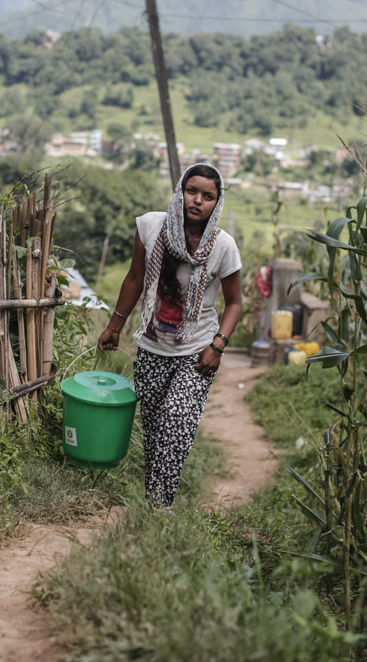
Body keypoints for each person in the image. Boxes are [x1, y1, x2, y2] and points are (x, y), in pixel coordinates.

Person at [98, 163, 243, 511]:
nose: (197, 201)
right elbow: (134, 279)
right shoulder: (150, 226)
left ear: (217, 202)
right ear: (180, 191)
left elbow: (236, 302)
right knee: (154, 429)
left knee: (177, 419)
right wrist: (115, 326)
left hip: (196, 351)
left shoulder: (223, 247)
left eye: (208, 196)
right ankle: (154, 500)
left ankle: (162, 505)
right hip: (151, 345)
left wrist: (218, 346)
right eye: (192, 191)